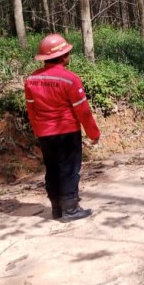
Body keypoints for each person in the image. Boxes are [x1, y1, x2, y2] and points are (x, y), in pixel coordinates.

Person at [24, 34, 101, 222]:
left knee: (53, 169)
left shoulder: (31, 80)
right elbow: (83, 112)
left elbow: (31, 109)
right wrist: (94, 133)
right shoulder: (70, 79)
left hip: (45, 134)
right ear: (62, 56)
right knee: (69, 170)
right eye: (68, 52)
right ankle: (71, 209)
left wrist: (38, 131)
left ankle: (57, 208)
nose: (69, 55)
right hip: (66, 133)